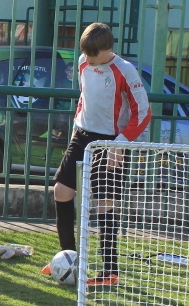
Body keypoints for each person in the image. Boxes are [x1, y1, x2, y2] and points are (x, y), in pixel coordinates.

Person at [40, 22, 151, 286]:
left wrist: (120, 144)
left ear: (108, 49)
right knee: (61, 192)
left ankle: (110, 272)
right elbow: (84, 98)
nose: (88, 59)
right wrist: (77, 127)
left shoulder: (125, 70)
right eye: (85, 54)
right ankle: (69, 259)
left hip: (111, 141)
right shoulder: (83, 61)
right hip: (82, 135)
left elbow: (143, 112)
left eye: (93, 55)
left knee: (103, 204)